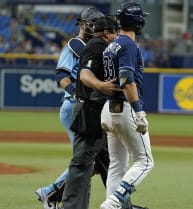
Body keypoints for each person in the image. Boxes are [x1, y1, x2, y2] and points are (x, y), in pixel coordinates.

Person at [35, 7, 105, 209]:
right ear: (82, 24)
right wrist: (76, 92)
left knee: (90, 160)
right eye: (91, 23)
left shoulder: (94, 46)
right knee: (85, 160)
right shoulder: (73, 46)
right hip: (74, 106)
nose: (94, 26)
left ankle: (52, 193)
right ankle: (50, 194)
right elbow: (61, 76)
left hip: (86, 107)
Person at [61, 15, 119, 209]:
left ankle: (119, 203)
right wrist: (101, 86)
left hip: (97, 109)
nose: (117, 35)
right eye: (114, 32)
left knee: (109, 163)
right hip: (90, 109)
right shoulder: (96, 46)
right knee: (81, 163)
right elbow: (85, 74)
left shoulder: (100, 46)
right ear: (106, 32)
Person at [100, 3, 155, 209]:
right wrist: (139, 111)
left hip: (109, 109)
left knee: (117, 166)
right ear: (138, 22)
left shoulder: (111, 45)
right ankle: (114, 202)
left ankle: (113, 205)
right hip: (125, 108)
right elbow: (127, 80)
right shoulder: (128, 44)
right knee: (145, 161)